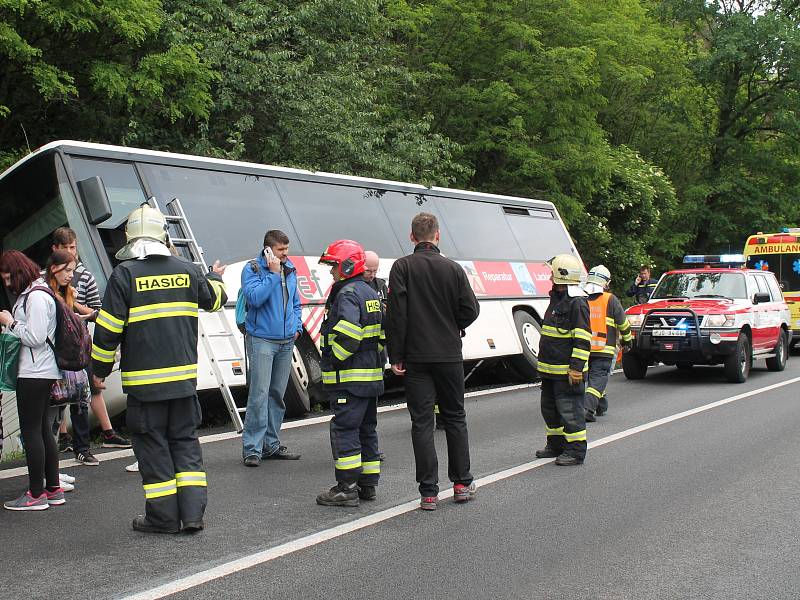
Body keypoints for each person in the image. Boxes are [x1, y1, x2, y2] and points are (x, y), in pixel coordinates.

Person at [91, 204, 227, 533]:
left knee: (153, 448)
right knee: (185, 444)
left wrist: (99, 369)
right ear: (163, 235)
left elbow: (107, 329)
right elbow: (215, 300)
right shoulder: (188, 270)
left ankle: (163, 518)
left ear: (130, 239)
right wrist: (213, 276)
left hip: (145, 386)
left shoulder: (124, 275)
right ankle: (193, 515)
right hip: (182, 382)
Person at [385, 212, 480, 511]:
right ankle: (462, 483)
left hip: (416, 358)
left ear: (411, 237)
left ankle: (428, 492)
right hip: (449, 354)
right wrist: (456, 325)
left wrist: (396, 355)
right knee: (455, 417)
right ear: (438, 236)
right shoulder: (453, 269)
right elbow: (471, 309)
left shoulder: (401, 267)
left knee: (422, 422)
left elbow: (396, 315)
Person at [50, 227, 131, 465]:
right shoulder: (44, 280)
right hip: (55, 345)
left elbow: (97, 311)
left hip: (79, 342)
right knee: (59, 394)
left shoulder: (84, 275)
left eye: (72, 248)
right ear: (54, 251)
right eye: (64, 249)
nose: (69, 254)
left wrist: (74, 306)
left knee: (83, 393)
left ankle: (88, 444)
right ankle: (64, 438)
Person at [315, 240, 385, 506]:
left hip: (349, 379)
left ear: (345, 265)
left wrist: (333, 360)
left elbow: (349, 335)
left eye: (334, 265)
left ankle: (346, 488)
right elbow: (381, 337)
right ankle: (368, 486)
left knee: (345, 430)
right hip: (370, 378)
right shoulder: (370, 293)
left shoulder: (346, 295)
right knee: (367, 430)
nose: (331, 272)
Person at [0, 250, 65, 510]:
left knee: (32, 432)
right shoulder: (40, 292)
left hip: (34, 372)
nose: (7, 284)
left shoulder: (36, 297)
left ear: (18, 272)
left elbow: (35, 337)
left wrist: (10, 322)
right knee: (42, 431)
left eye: (8, 278)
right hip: (43, 371)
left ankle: (36, 494)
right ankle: (52, 488)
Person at [240, 229, 302, 466]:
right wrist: (274, 275)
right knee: (259, 394)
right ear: (268, 250)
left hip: (287, 341)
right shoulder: (253, 269)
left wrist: (297, 327)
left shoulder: (291, 268)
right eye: (280, 250)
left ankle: (271, 445)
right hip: (262, 340)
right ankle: (252, 449)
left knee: (277, 395)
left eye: (287, 249)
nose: (285, 254)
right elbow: (254, 298)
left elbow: (296, 302)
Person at [534, 254, 591, 466]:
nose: (550, 277)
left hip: (567, 373)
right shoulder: (557, 299)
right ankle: (556, 444)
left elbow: (583, 340)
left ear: (561, 276)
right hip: (550, 371)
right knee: (549, 410)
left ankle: (576, 451)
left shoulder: (577, 303)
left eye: (552, 273)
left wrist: (576, 368)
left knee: (571, 412)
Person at [582, 265, 632, 422]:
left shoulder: (579, 298)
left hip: (582, 348)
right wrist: (627, 340)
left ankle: (601, 405)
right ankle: (586, 409)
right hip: (604, 349)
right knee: (597, 380)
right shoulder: (610, 299)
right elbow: (623, 323)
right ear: (605, 283)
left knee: (592, 378)